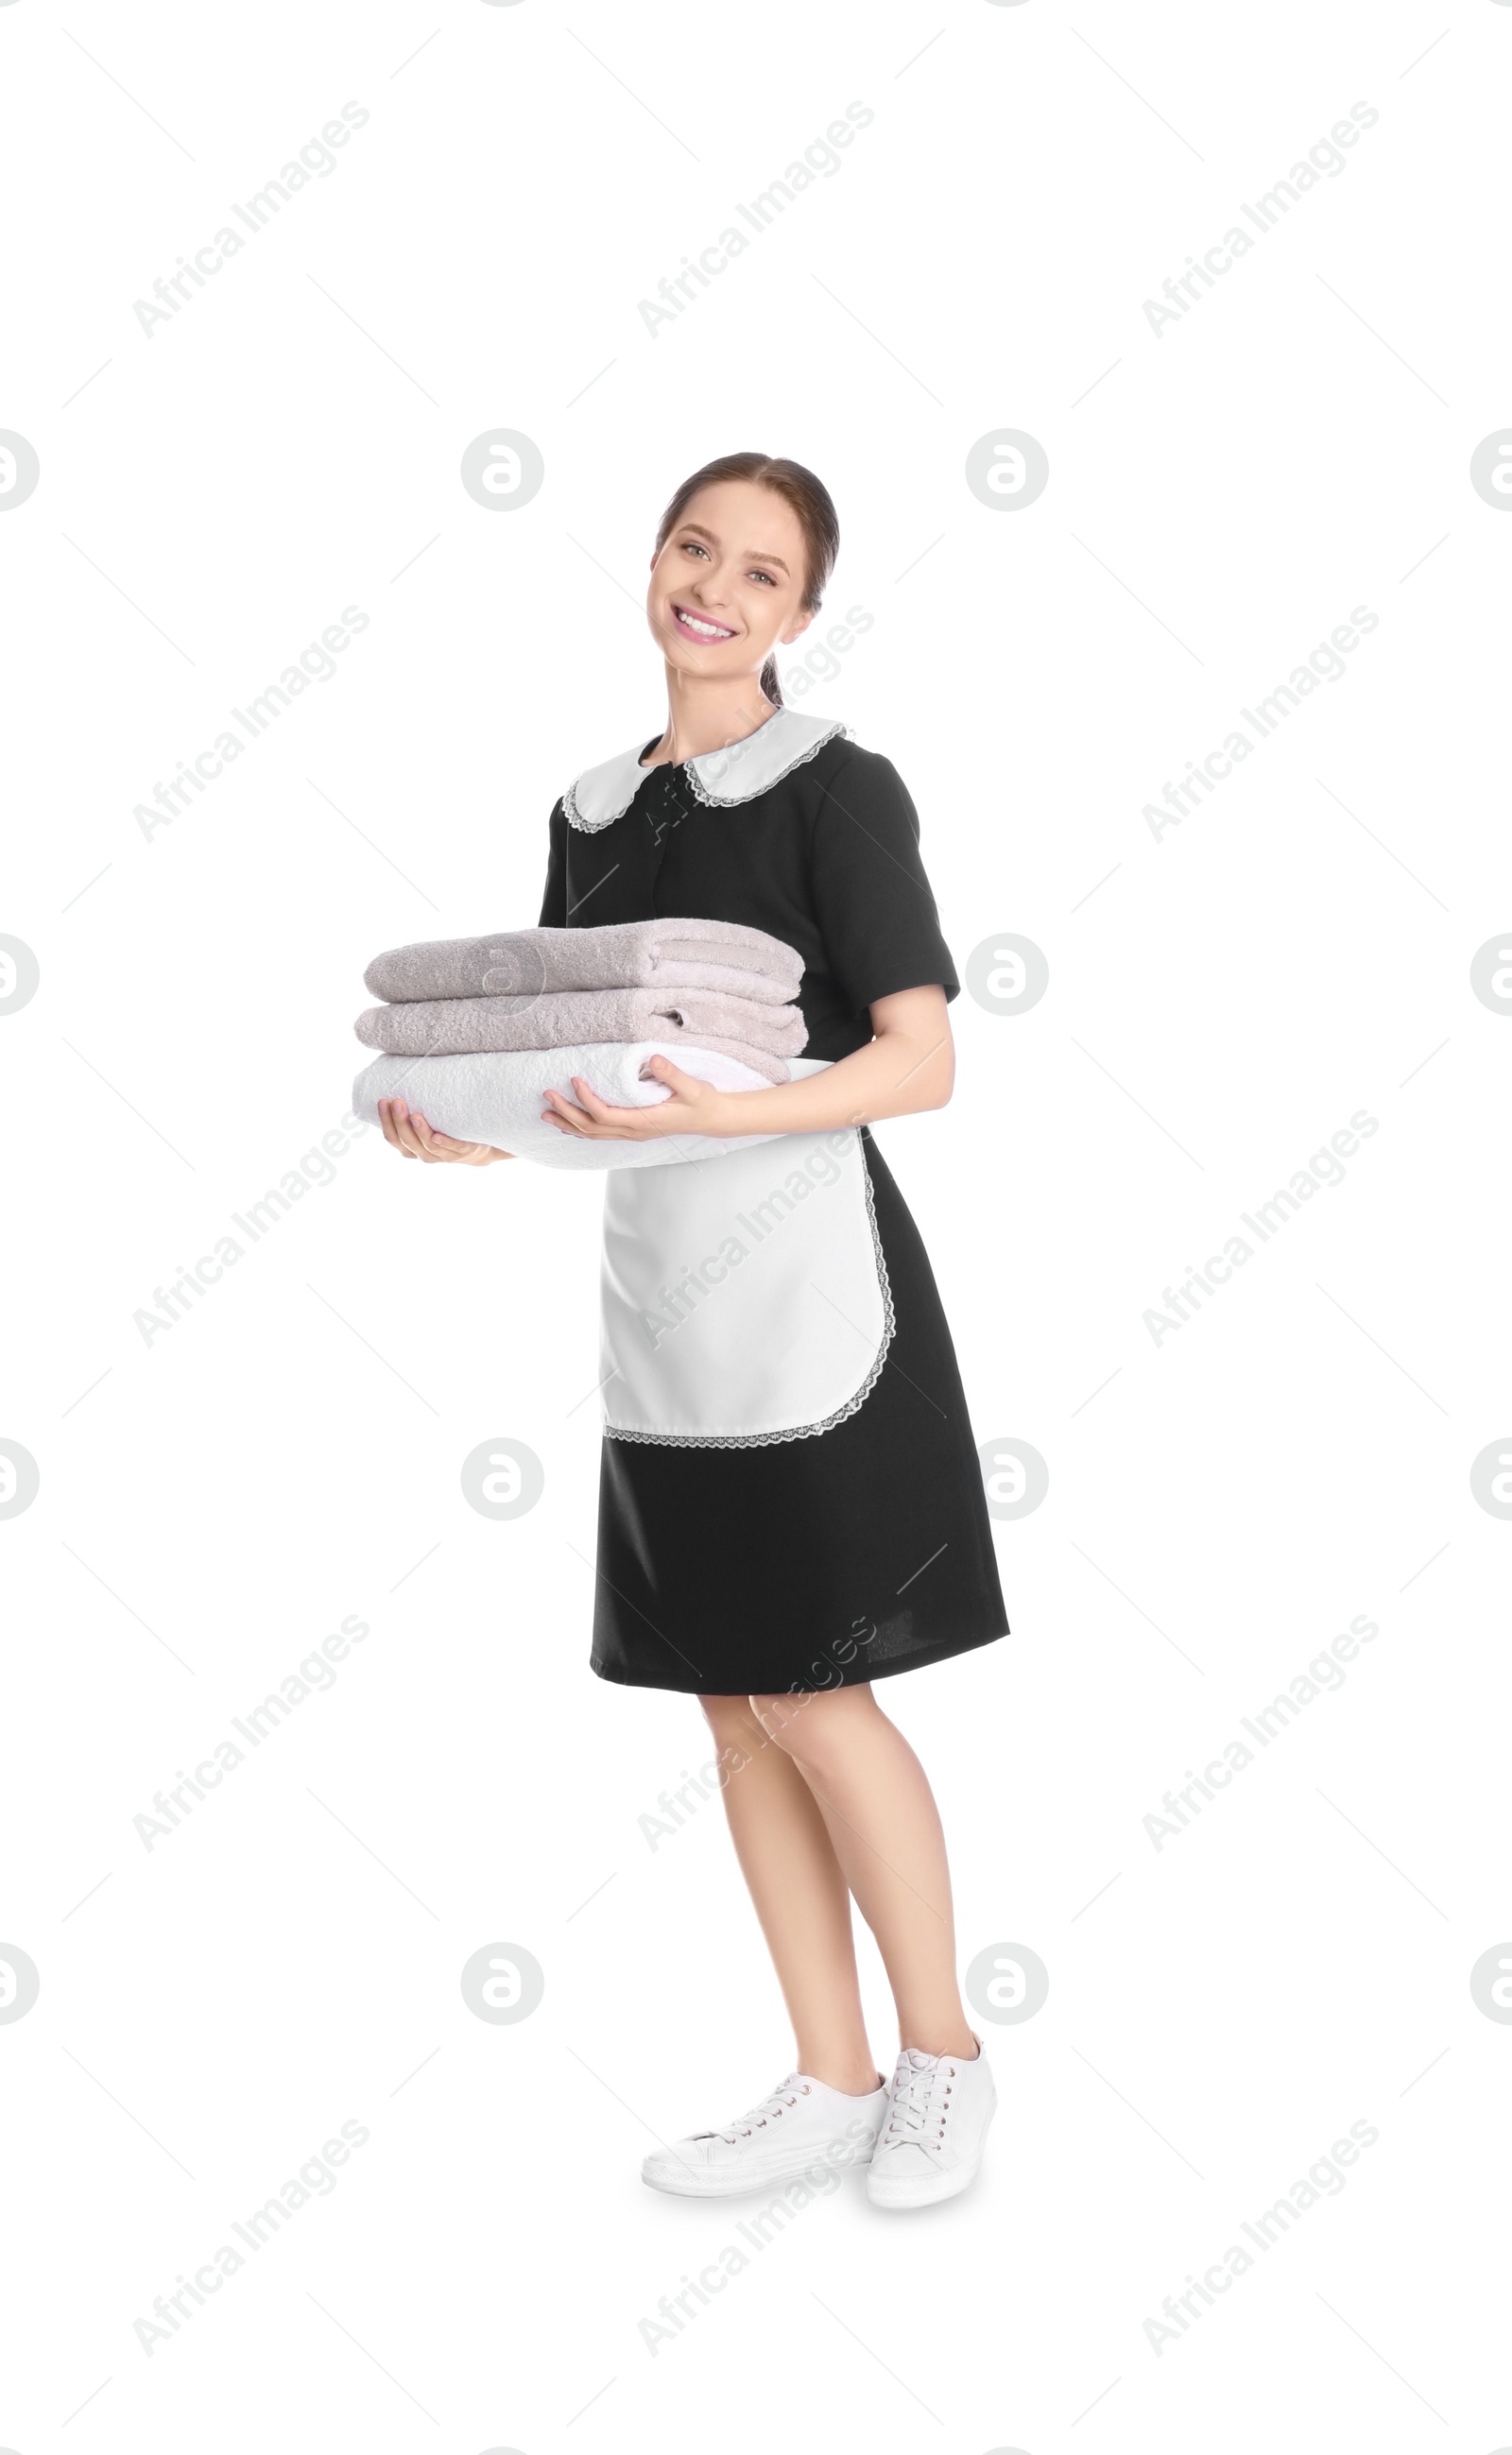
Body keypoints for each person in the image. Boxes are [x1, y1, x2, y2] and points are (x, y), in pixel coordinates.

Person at [378, 452, 1009, 2210]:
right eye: (691, 548)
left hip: (817, 1292)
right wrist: (470, 1123)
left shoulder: (833, 787)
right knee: (732, 1700)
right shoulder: (588, 810)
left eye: (759, 571)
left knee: (826, 1691)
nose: (713, 589)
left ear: (802, 614)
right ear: (651, 562)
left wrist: (722, 1117)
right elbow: (588, 1076)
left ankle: (946, 2057)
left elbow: (924, 1058)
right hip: (663, 1308)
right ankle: (828, 2075)